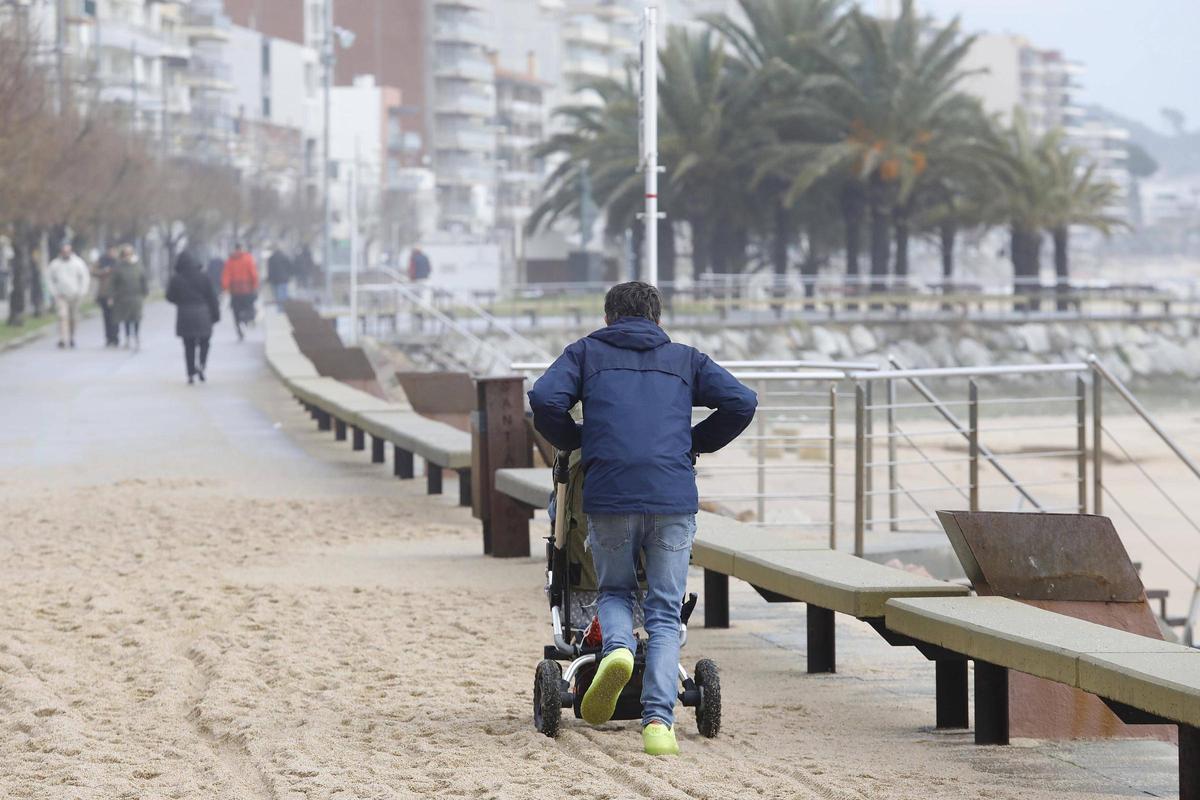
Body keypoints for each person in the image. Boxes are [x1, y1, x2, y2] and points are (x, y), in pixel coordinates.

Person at [528, 281, 757, 756]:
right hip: (672, 496)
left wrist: (576, 439)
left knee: (613, 590)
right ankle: (658, 724)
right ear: (657, 317)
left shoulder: (586, 353)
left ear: (609, 317)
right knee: (665, 611)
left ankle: (616, 650)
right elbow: (742, 402)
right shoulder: (685, 358)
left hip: (610, 494)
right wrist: (696, 441)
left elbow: (545, 398)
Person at [166, 251, 220, 384]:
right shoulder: (204, 277)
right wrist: (215, 315)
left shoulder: (176, 279)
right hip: (203, 313)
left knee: (188, 345)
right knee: (205, 342)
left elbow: (169, 296)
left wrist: (180, 301)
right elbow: (212, 298)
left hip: (184, 314)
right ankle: (201, 364)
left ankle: (190, 373)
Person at [46, 242, 91, 349]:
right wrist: (54, 292)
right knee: (62, 316)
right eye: (64, 251)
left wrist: (82, 292)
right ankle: (63, 338)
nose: (66, 253)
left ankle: (72, 337)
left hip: (75, 295)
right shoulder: (55, 264)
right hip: (61, 296)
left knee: (73, 317)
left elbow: (84, 278)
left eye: (68, 251)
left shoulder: (78, 263)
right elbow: (49, 279)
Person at [111, 244, 148, 350]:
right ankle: (127, 337)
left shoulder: (138, 265)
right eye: (126, 253)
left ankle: (136, 336)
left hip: (137, 296)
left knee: (136, 318)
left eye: (130, 253)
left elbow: (143, 279)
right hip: (123, 297)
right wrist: (112, 295)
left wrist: (145, 292)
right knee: (126, 318)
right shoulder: (119, 266)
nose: (128, 255)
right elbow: (114, 282)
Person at [221, 243, 259, 341]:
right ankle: (246, 320)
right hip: (247, 289)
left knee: (235, 311)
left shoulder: (230, 260)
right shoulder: (248, 258)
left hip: (235, 291)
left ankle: (238, 328)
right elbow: (253, 273)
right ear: (242, 248)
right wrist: (255, 285)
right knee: (248, 307)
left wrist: (226, 287)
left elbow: (226, 275)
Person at [92, 245, 119, 347]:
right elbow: (93, 271)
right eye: (111, 251)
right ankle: (108, 337)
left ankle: (115, 336)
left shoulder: (118, 262)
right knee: (106, 316)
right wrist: (103, 271)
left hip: (116, 294)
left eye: (114, 251)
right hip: (104, 293)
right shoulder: (101, 261)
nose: (112, 253)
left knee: (115, 316)